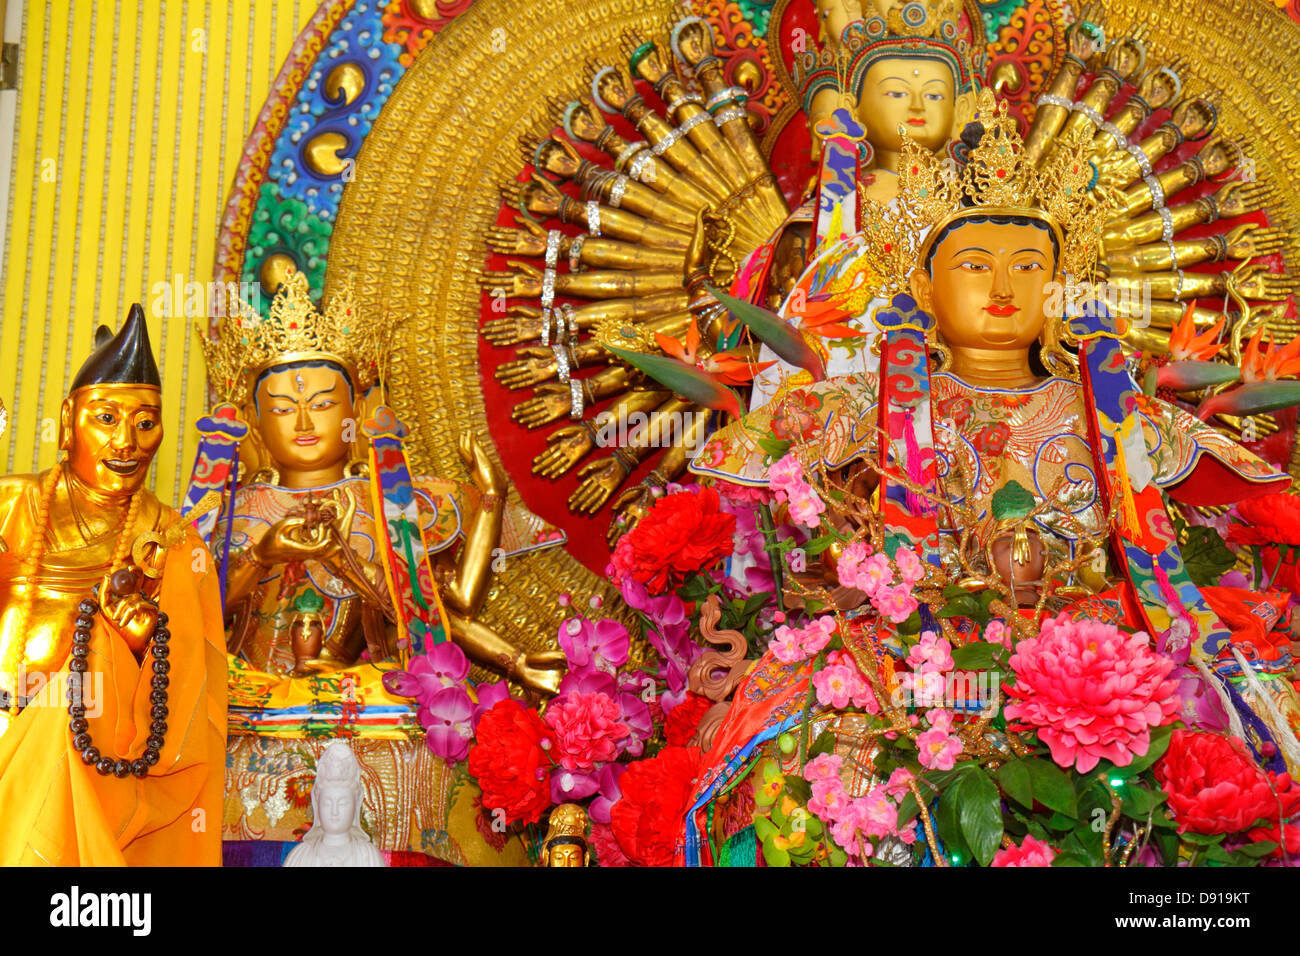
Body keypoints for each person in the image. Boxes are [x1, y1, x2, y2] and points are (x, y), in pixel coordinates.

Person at [0, 306, 226, 865]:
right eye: (106, 417)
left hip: (82, 748)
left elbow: (192, 688)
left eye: (145, 422)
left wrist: (141, 645)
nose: (126, 441)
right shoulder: (12, 502)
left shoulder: (169, 538)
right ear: (66, 418)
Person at [283, 740, 385, 867]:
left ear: (355, 805)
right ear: (317, 804)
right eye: (327, 803)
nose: (334, 811)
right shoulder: (299, 856)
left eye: (343, 803)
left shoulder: (369, 857)